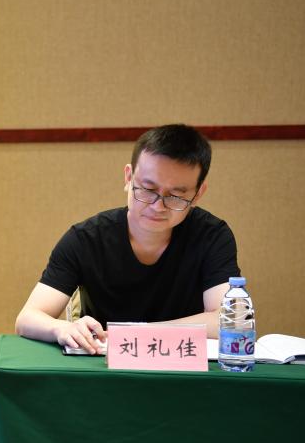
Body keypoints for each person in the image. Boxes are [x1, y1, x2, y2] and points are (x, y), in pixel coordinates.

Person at [15, 124, 239, 353]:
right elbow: (27, 318)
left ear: (198, 193)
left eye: (175, 196)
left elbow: (227, 320)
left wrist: (137, 335)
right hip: (103, 364)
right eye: (148, 189)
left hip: (184, 364)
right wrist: (60, 328)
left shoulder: (212, 236)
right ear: (129, 177)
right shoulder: (86, 239)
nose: (158, 206)